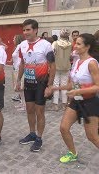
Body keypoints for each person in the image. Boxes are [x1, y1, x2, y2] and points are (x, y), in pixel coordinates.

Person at [51, 33, 99, 163]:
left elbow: (97, 86)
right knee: (63, 128)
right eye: (75, 43)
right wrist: (56, 88)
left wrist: (78, 90)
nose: (75, 46)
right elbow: (73, 84)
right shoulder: (77, 61)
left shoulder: (92, 63)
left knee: (92, 137)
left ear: (87, 46)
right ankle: (73, 153)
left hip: (90, 102)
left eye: (78, 44)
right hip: (76, 101)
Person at [15, 19, 55, 152]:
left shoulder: (45, 45)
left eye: (28, 30)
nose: (25, 32)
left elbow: (52, 66)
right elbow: (22, 63)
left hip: (41, 83)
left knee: (40, 112)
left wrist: (49, 85)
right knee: (29, 110)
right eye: (24, 30)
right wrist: (18, 79)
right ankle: (32, 133)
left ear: (36, 30)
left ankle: (39, 138)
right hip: (28, 83)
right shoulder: (22, 45)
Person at [50, 29, 72, 111]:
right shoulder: (70, 44)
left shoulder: (55, 43)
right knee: (64, 85)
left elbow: (51, 54)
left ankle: (55, 104)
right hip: (66, 66)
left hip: (56, 66)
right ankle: (64, 104)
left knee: (56, 85)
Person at [9, 35, 25, 111]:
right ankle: (22, 102)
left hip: (19, 68)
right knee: (19, 87)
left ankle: (24, 104)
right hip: (16, 67)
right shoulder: (17, 46)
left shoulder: (20, 46)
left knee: (21, 87)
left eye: (14, 38)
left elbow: (21, 58)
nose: (13, 40)